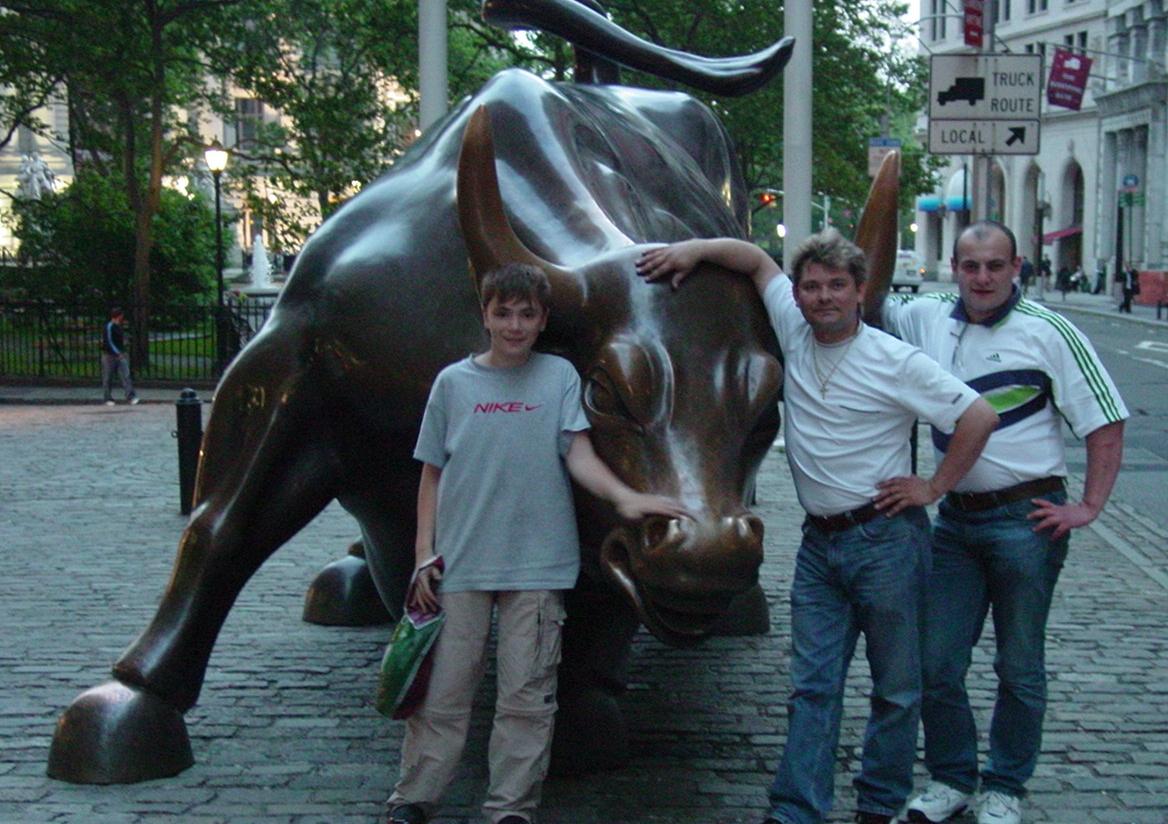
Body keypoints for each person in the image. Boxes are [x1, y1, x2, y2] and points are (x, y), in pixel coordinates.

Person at [637, 230, 998, 824]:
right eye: (811, 286)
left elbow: (978, 415)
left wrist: (934, 486)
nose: (823, 296)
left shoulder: (895, 360)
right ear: (798, 294)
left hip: (887, 541)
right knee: (812, 685)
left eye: (836, 285)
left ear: (859, 291)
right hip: (819, 546)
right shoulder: (793, 329)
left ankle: (878, 803)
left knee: (896, 688)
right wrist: (693, 250)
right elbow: (755, 261)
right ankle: (798, 809)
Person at [385, 262, 689, 824]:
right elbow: (431, 473)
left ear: (543, 319)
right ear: (485, 316)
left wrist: (625, 498)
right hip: (462, 561)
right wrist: (424, 554)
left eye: (527, 314)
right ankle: (415, 797)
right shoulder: (453, 383)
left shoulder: (559, 377)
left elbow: (578, 453)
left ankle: (511, 807)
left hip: (539, 562)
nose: (515, 325)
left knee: (527, 696)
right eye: (504, 313)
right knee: (443, 694)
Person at [875, 221, 1128, 824]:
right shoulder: (928, 316)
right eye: (971, 266)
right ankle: (952, 779)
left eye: (995, 266)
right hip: (956, 526)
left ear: (1017, 267)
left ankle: (1006, 786)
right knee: (937, 663)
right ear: (954, 268)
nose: (982, 278)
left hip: (1027, 522)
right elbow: (864, 297)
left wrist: (1089, 506)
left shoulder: (1050, 332)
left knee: (1018, 665)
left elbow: (1105, 421)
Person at [100, 307, 139, 405]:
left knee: (126, 375)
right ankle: (107, 398)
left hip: (119, 354)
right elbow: (109, 341)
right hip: (110, 355)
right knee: (108, 377)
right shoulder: (109, 326)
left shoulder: (118, 326)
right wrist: (118, 353)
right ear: (119, 316)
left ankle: (130, 396)